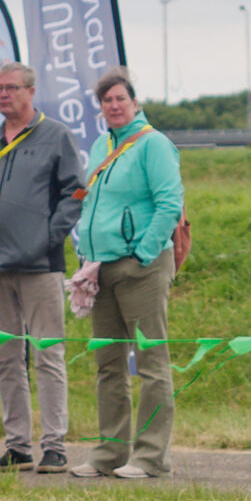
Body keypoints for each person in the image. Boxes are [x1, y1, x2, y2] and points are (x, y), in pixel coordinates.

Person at [0, 62, 87, 473]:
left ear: (31, 92)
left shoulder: (55, 136)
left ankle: (54, 445)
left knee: (47, 353)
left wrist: (48, 237)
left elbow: (77, 190)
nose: (3, 95)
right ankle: (17, 445)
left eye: (11, 88)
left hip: (39, 266)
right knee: (6, 356)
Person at [69, 68, 183, 480]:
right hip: (100, 267)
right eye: (106, 101)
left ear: (134, 102)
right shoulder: (102, 144)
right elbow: (89, 199)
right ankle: (109, 453)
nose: (113, 106)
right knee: (108, 363)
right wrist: (87, 250)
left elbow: (169, 203)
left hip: (141, 267)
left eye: (120, 98)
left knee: (151, 361)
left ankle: (151, 456)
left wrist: (142, 253)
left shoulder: (154, 145)